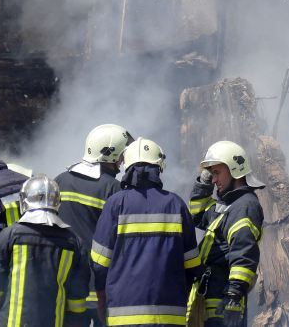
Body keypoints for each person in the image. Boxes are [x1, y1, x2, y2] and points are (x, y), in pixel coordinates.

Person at [91, 137, 199, 326]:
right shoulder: (176, 205)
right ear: (159, 168)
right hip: (170, 316)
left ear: (128, 167)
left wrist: (102, 296)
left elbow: (100, 263)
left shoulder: (115, 204)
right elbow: (192, 265)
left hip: (122, 316)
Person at [0, 174, 89, 327]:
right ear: (57, 202)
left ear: (24, 200)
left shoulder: (10, 235)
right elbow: (77, 294)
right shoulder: (73, 242)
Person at [55, 123, 132, 323]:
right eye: (121, 155)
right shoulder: (114, 189)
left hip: (62, 284)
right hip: (98, 289)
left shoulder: (59, 181)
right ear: (110, 154)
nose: (123, 162)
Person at [188, 140, 265, 327]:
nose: (214, 180)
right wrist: (203, 182)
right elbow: (198, 216)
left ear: (234, 170)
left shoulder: (244, 206)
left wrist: (234, 294)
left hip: (224, 299)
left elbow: (244, 250)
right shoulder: (227, 205)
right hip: (213, 294)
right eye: (211, 174)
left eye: (216, 173)